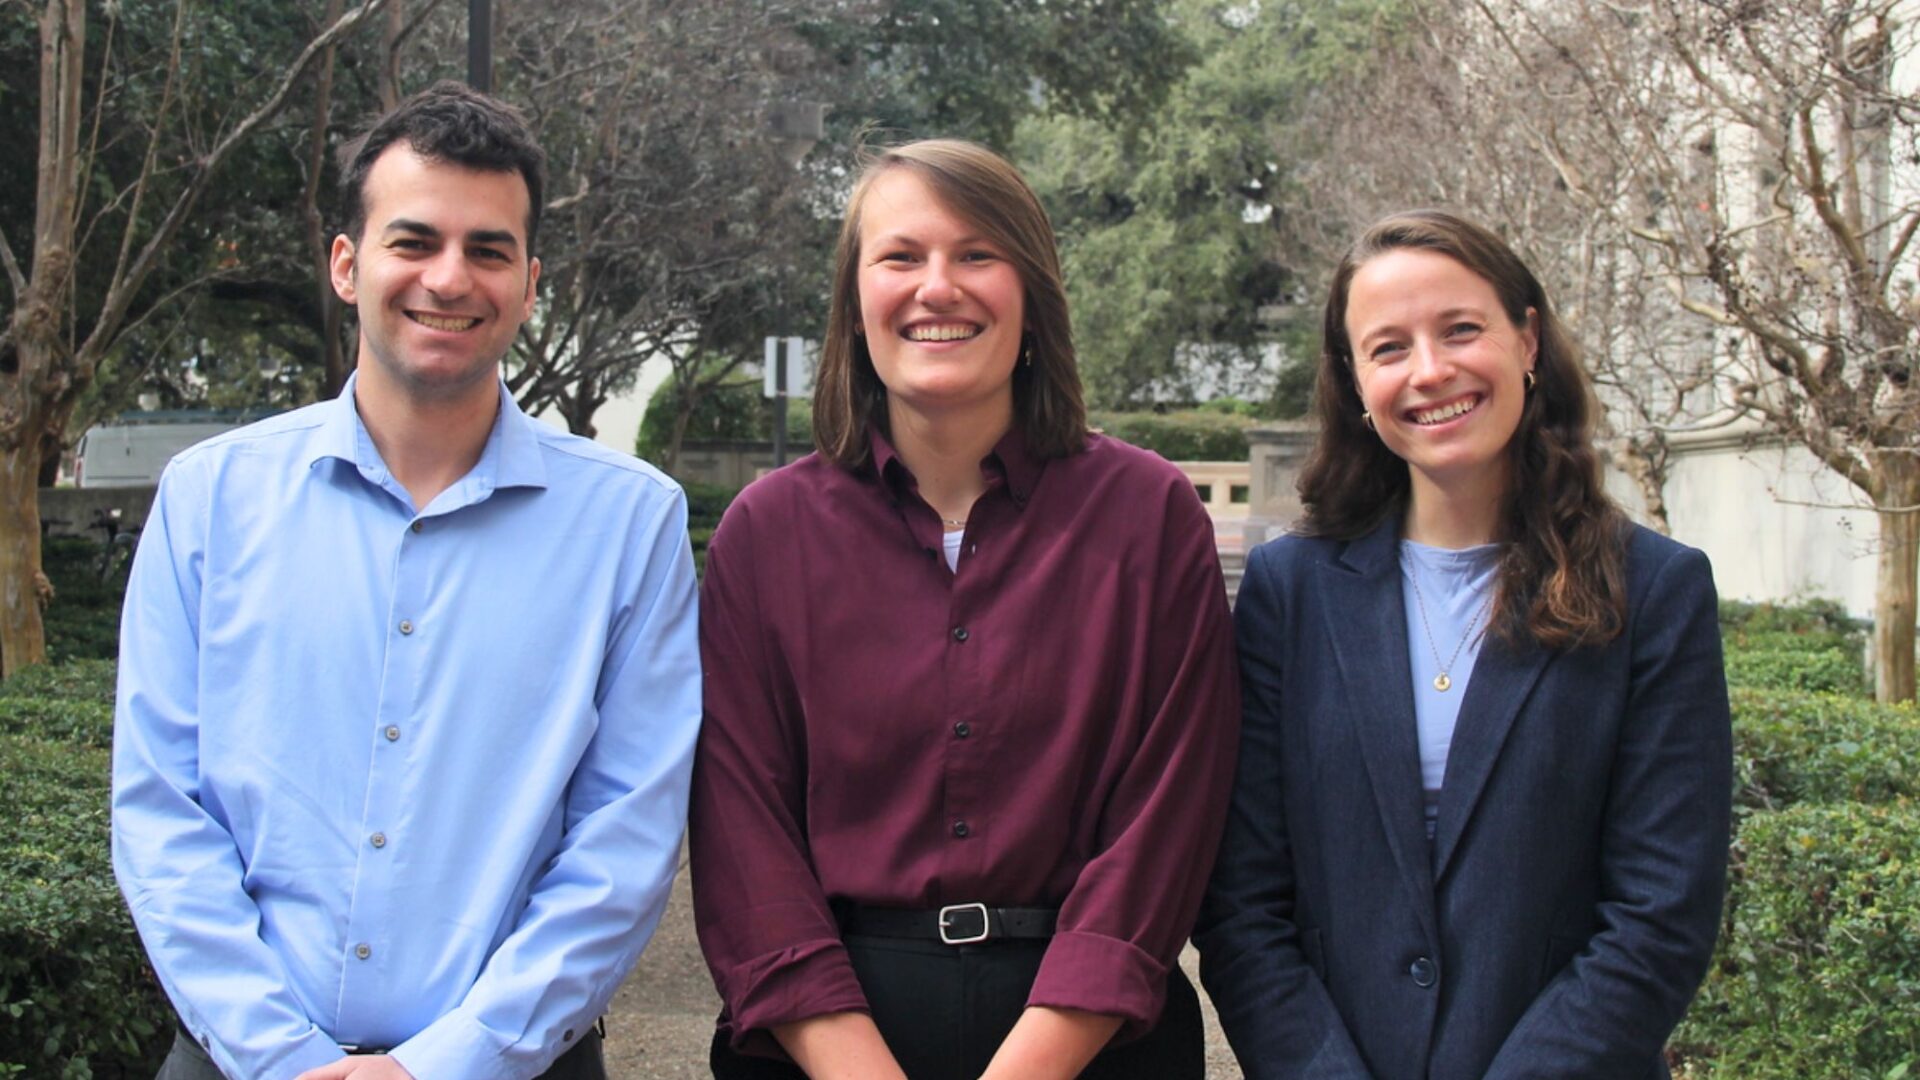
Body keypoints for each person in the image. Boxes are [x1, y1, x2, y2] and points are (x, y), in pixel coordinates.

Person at [111, 81, 702, 1080]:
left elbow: (628, 836)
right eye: (413, 240)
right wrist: (280, 1056)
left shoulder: (629, 524)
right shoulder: (209, 498)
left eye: (489, 249)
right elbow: (162, 808)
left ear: (528, 279)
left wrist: (451, 1063)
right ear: (347, 264)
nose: (450, 277)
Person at [689, 139, 1240, 1080]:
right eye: (901, 257)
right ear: (854, 304)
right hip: (825, 1037)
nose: (937, 287)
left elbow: (1167, 821)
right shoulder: (764, 536)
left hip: (1092, 1040)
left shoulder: (1149, 518)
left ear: (1033, 295)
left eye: (978, 254)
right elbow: (744, 836)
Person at [1197, 209, 1733, 1080]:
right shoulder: (1290, 593)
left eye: (1460, 330)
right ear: (1355, 383)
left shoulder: (1656, 591)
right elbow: (1241, 904)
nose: (1431, 370)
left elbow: (1661, 911)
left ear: (1526, 340)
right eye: (1389, 347)